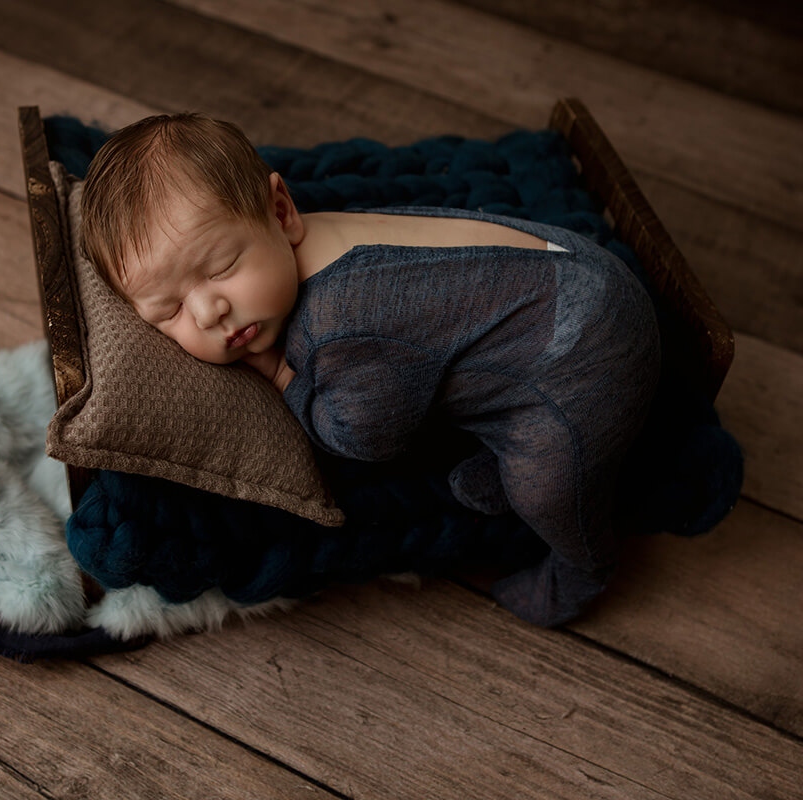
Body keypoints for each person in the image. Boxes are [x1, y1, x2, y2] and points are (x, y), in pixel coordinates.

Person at [80, 112, 661, 627]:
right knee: (485, 367)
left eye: (223, 266)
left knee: (551, 486)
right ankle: (506, 444)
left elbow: (363, 438)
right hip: (580, 273)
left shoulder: (340, 325)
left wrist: (279, 373)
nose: (209, 311)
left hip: (585, 356)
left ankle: (584, 565)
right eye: (170, 310)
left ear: (281, 213)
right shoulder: (314, 236)